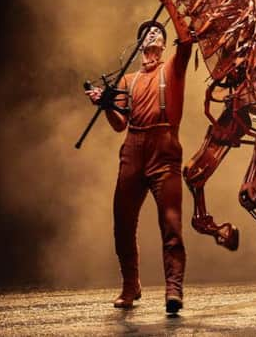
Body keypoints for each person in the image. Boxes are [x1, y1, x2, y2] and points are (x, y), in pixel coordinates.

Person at [85, 21, 192, 313]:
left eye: (159, 31)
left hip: (165, 147)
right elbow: (120, 125)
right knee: (122, 221)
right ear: (139, 44)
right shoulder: (127, 80)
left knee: (171, 223)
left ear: (165, 44)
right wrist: (105, 104)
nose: (153, 32)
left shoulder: (172, 69)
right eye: (147, 31)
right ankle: (130, 285)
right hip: (132, 149)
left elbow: (186, 40)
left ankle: (174, 289)